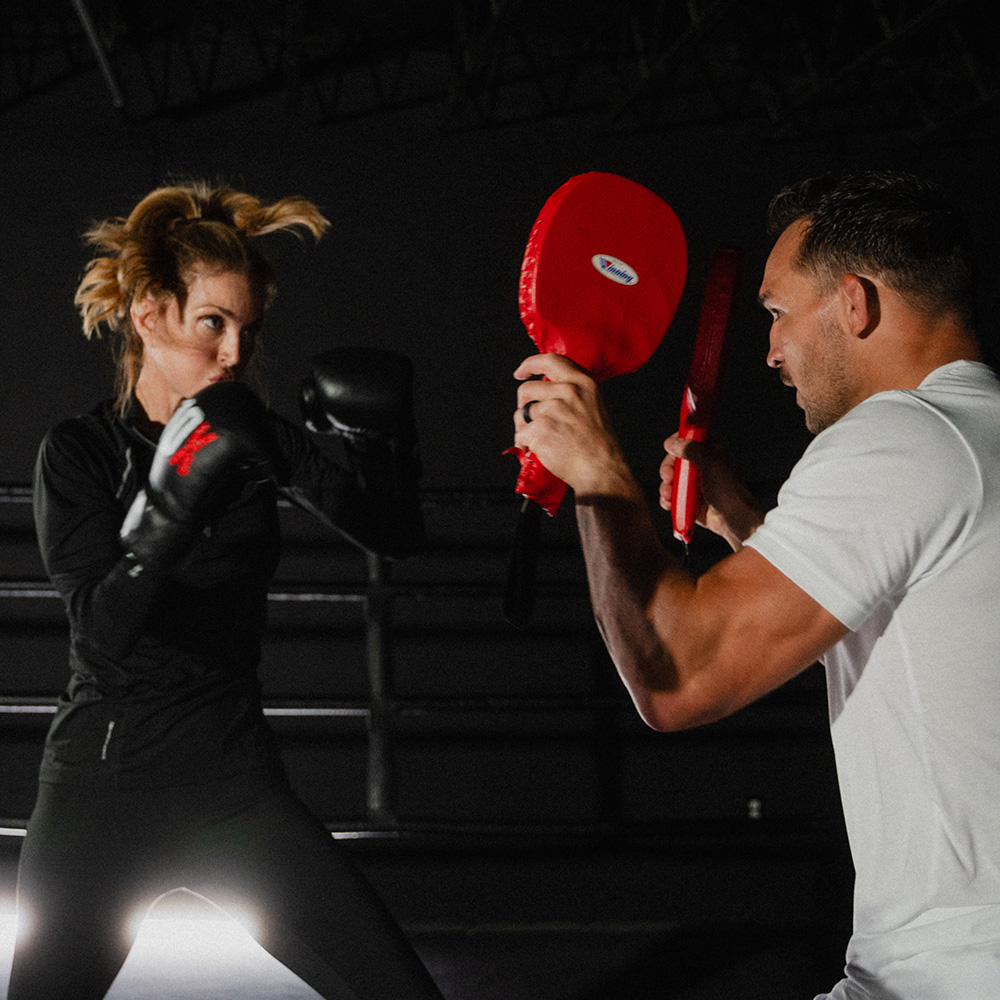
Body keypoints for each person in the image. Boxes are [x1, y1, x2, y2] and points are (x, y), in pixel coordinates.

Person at [512, 170, 1000, 998]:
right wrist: (744, 524)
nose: (769, 350)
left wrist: (598, 472)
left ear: (856, 303)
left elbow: (677, 676)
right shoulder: (972, 436)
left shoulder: (900, 437)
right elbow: (916, 648)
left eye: (777, 314)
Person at [8, 181, 443, 1000]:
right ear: (148, 314)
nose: (236, 352)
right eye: (213, 322)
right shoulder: (79, 453)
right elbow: (102, 629)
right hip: (102, 794)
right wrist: (174, 497)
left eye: (248, 328)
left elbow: (395, 537)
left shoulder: (252, 432)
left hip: (235, 789)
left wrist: (385, 454)